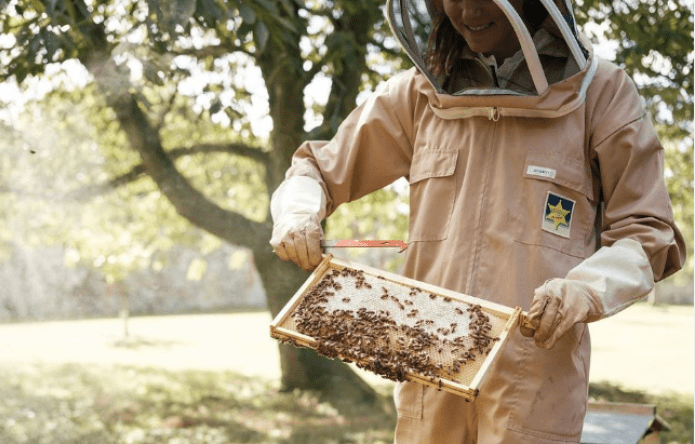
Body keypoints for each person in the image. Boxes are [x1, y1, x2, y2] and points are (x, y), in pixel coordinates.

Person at [269, 0, 686, 442]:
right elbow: (316, 169)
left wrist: (586, 289)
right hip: (429, 373)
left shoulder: (602, 93)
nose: (467, 10)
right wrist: (298, 213)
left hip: (533, 385)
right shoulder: (417, 95)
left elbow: (648, 232)